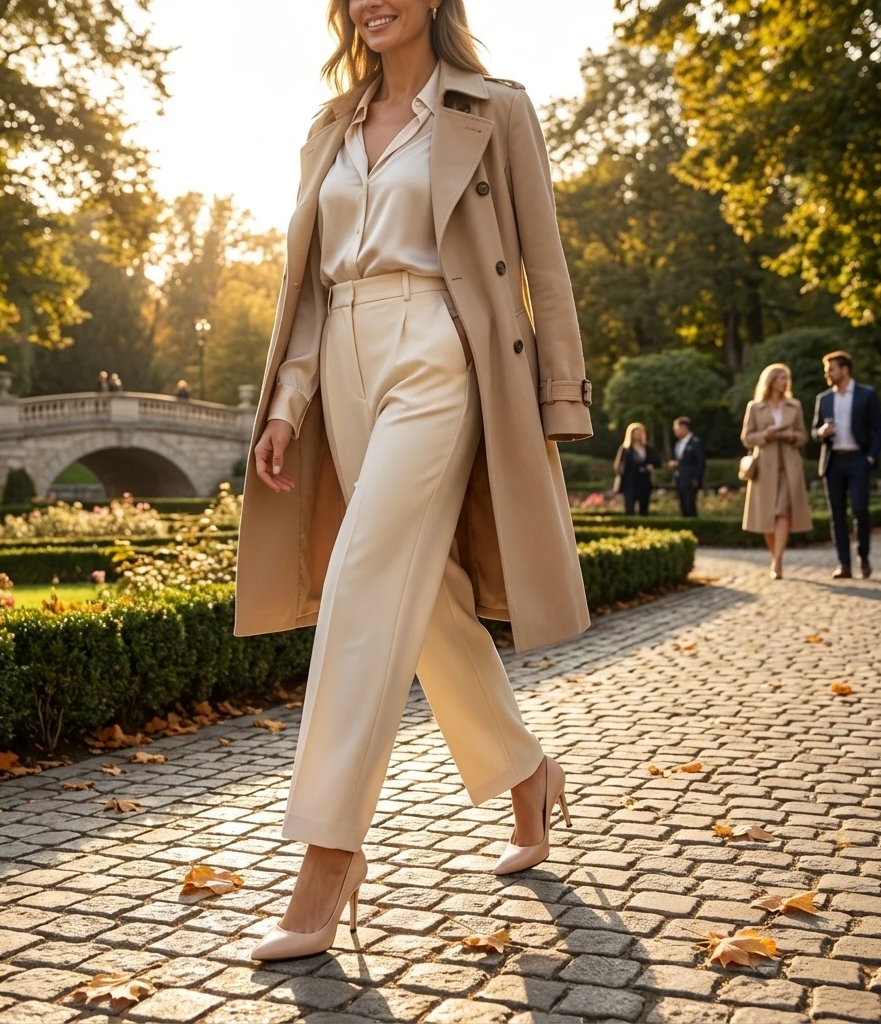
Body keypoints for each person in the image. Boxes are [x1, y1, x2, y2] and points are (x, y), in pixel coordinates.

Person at [234, 0, 593, 962]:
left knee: (361, 581)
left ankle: (327, 857)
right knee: (422, 598)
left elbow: (543, 265)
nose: (369, 1)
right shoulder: (329, 125)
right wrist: (287, 400)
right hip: (342, 356)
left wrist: (563, 394)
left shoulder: (494, 108)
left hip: (442, 348)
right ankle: (526, 773)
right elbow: (305, 284)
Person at [812, 349, 881, 578]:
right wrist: (821, 432)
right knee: (837, 515)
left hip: (858, 460)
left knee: (861, 511)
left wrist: (871, 456)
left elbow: (880, 428)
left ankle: (863, 556)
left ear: (844, 370)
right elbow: (814, 432)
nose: (827, 373)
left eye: (831, 369)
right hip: (833, 461)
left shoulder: (866, 395)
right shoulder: (824, 399)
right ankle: (843, 564)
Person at [740, 363, 813, 578]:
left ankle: (778, 561)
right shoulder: (755, 407)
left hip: (788, 466)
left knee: (783, 512)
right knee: (767, 517)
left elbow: (803, 436)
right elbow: (746, 438)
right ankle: (775, 556)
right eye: (781, 377)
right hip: (764, 467)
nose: (785, 382)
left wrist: (790, 435)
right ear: (771, 380)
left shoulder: (794, 406)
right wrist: (765, 435)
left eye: (787, 378)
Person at [613, 422, 660, 515]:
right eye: (636, 433)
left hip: (644, 481)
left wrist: (650, 466)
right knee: (629, 509)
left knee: (644, 509)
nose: (638, 435)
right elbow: (618, 466)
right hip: (629, 482)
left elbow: (657, 462)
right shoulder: (625, 449)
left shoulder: (648, 448)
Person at [669, 417, 705, 517]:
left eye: (677, 428)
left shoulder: (695, 442)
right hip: (680, 479)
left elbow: (700, 462)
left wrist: (696, 479)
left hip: (691, 480)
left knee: (690, 506)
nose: (675, 431)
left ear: (684, 427)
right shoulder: (678, 444)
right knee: (683, 506)